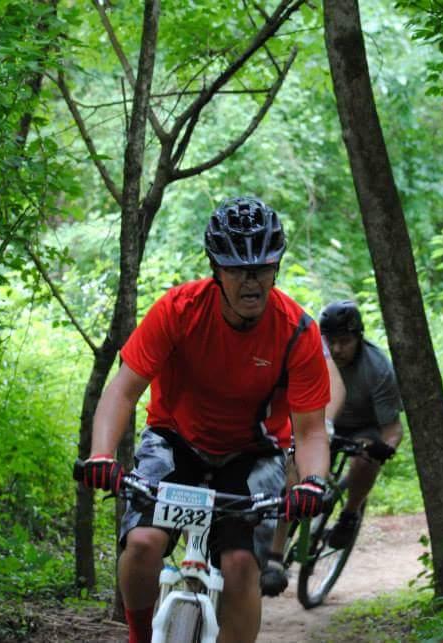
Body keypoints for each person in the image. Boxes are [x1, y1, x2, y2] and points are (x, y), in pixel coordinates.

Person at [76, 196, 331, 643]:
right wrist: (100, 455)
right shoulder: (179, 310)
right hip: (176, 442)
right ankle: (138, 635)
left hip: (251, 455)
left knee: (238, 566)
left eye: (262, 267)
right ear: (216, 269)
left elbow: (310, 430)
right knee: (142, 544)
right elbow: (123, 389)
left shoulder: (297, 331)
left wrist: (311, 483)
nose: (251, 280)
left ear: (276, 268)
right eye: (237, 268)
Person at [260, 300, 403, 596]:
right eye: (331, 342)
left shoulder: (378, 369)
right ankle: (274, 557)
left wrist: (383, 448)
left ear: (359, 338)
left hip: (361, 428)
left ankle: (350, 514)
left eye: (345, 341)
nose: (337, 350)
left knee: (365, 460)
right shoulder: (312, 353)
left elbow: (392, 429)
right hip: (317, 421)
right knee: (292, 474)